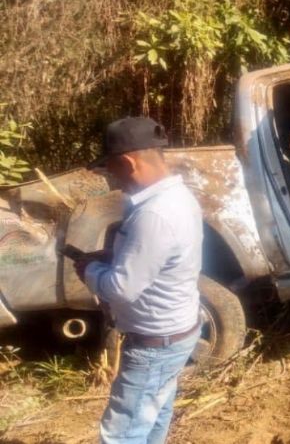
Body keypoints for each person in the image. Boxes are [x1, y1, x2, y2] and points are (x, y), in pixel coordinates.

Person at [75, 117, 203, 444]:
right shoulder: (177, 198)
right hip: (175, 334)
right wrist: (113, 259)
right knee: (155, 417)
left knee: (122, 435)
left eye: (110, 167)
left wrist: (87, 271)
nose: (111, 178)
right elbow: (153, 260)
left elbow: (121, 289)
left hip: (154, 346)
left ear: (128, 162)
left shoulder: (154, 214)